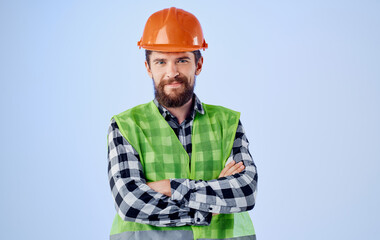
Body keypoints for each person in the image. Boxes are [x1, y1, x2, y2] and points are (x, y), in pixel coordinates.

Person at [107, 7, 258, 240]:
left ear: (198, 64)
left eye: (182, 60)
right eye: (160, 62)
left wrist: (169, 186)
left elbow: (245, 191)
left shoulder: (228, 123)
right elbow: (130, 202)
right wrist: (211, 201)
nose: (172, 72)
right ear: (148, 68)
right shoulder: (126, 126)